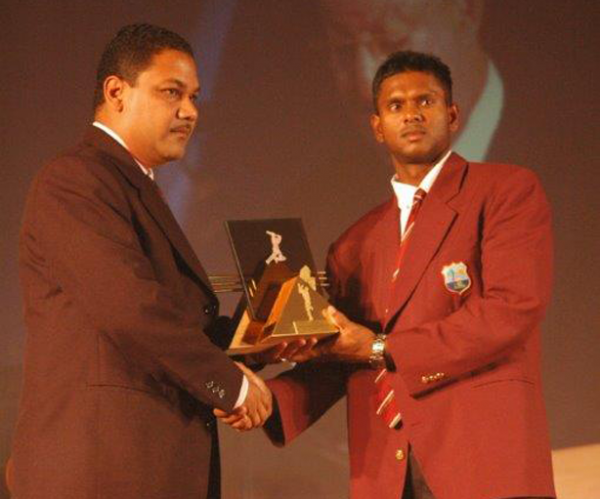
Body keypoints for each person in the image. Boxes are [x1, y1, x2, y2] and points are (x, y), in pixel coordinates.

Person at [217, 51, 556, 499]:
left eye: (426, 102)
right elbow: (345, 355)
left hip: (481, 459)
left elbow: (510, 311)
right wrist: (263, 398)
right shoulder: (353, 244)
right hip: (388, 471)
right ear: (377, 126)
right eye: (395, 105)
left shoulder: (504, 191)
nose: (411, 114)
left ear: (453, 114)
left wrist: (381, 346)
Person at [12, 23, 273, 499]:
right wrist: (232, 387)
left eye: (195, 97)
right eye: (172, 92)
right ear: (116, 92)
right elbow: (130, 310)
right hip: (103, 471)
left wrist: (274, 331)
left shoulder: (130, 185)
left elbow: (172, 321)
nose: (190, 111)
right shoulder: (74, 180)